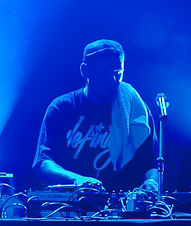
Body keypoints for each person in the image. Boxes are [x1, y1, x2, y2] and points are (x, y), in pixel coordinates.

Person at [33, 39, 159, 192]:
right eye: (104, 73)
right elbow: (43, 163)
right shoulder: (61, 107)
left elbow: (151, 162)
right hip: (70, 202)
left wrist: (151, 182)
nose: (113, 80)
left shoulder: (136, 110)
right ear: (85, 71)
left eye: (118, 73)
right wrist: (77, 179)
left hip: (122, 203)